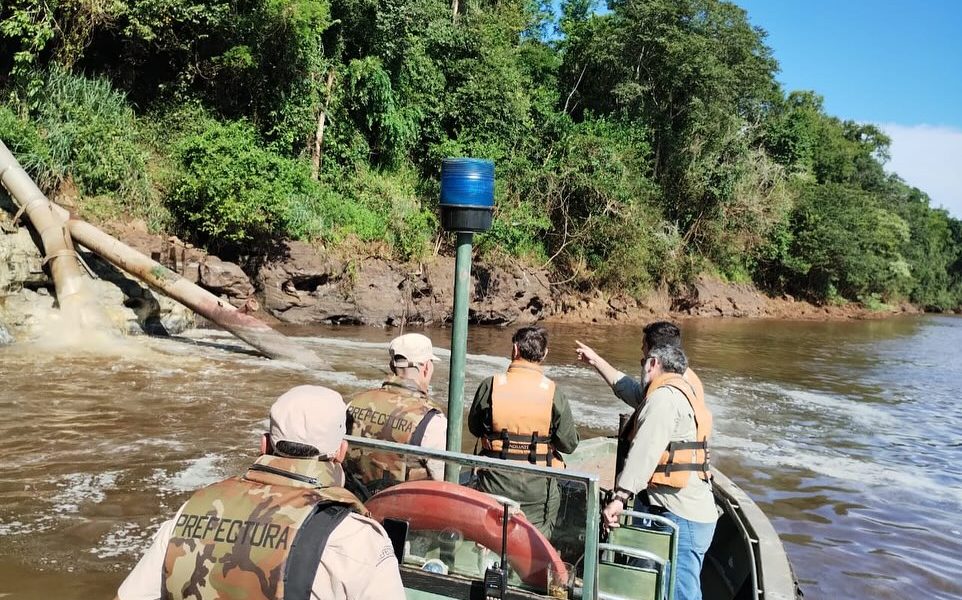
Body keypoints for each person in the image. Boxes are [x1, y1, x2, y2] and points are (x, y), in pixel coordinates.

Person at [114, 385, 405, 600]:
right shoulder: (355, 538)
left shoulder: (192, 509)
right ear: (341, 452)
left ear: (264, 445)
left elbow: (128, 596)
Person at [600, 344, 716, 600]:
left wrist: (619, 498)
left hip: (681, 514)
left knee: (679, 593)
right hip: (688, 509)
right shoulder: (685, 391)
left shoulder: (663, 398)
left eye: (643, 361)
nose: (641, 367)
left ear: (653, 364)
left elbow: (645, 450)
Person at [468, 326, 580, 538]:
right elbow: (569, 444)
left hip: (494, 482)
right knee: (533, 544)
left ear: (515, 349)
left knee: (488, 539)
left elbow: (474, 428)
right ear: (544, 355)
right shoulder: (554, 393)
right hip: (537, 489)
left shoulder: (490, 385)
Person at [345, 333, 446, 494]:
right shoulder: (431, 420)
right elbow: (445, 480)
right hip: (401, 511)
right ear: (426, 368)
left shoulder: (353, 403)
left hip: (353, 504)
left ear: (392, 367)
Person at [575, 320, 704, 409]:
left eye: (644, 345)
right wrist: (595, 360)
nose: (641, 349)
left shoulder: (667, 391)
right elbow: (636, 395)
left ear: (653, 352)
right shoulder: (679, 376)